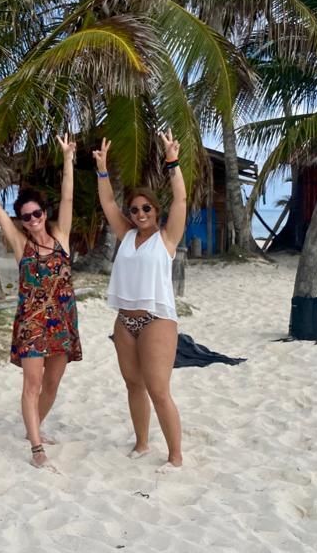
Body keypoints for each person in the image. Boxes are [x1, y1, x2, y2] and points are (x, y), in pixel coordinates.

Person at [0, 136, 81, 470]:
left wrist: (68, 159)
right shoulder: (21, 244)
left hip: (62, 321)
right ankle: (36, 446)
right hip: (32, 322)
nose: (32, 220)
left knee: (52, 383)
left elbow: (68, 197)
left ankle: (35, 427)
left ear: (44, 212)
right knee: (32, 384)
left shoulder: (61, 237)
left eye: (36, 213)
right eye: (26, 216)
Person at [94, 130, 186, 472]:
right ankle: (142, 443)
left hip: (156, 320)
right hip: (124, 321)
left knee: (158, 390)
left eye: (146, 208)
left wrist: (172, 162)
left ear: (155, 210)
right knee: (133, 384)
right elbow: (108, 204)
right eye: (134, 209)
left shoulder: (166, 238)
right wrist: (102, 170)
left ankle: (175, 456)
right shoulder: (127, 234)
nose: (140, 213)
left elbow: (181, 201)